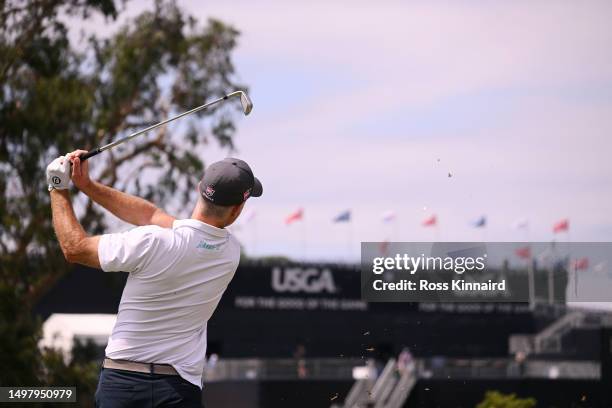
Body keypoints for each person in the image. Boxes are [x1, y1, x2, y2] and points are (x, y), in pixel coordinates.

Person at [46, 151, 263, 407]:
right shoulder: (229, 252)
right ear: (237, 210)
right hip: (178, 389)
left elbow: (75, 248)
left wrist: (58, 187)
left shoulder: (152, 241)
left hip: (121, 384)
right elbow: (150, 215)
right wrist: (88, 186)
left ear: (199, 188)